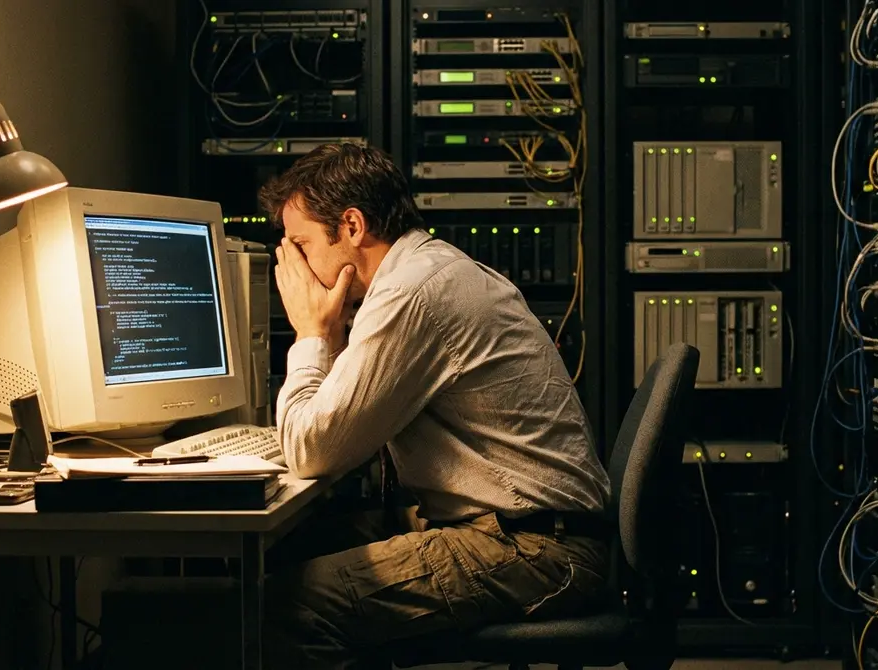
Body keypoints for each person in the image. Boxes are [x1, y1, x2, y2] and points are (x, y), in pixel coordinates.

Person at [258, 143, 612, 668]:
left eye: (301, 244)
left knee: (285, 608)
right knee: (290, 550)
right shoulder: (426, 271)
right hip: (527, 530)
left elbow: (313, 450)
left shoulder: (413, 291)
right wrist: (327, 334)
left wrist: (309, 333)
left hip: (536, 550)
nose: (296, 266)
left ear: (351, 226)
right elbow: (337, 428)